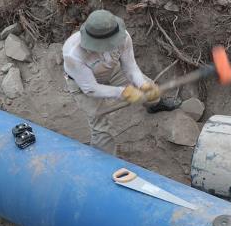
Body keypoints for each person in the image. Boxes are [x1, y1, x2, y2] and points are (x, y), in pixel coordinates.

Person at [63, 9, 180, 155]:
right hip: (82, 84)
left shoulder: (123, 37)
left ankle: (154, 106)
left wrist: (142, 85)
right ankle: (103, 162)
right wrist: (123, 92)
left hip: (112, 71)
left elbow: (130, 66)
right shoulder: (72, 53)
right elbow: (90, 88)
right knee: (100, 125)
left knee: (150, 89)